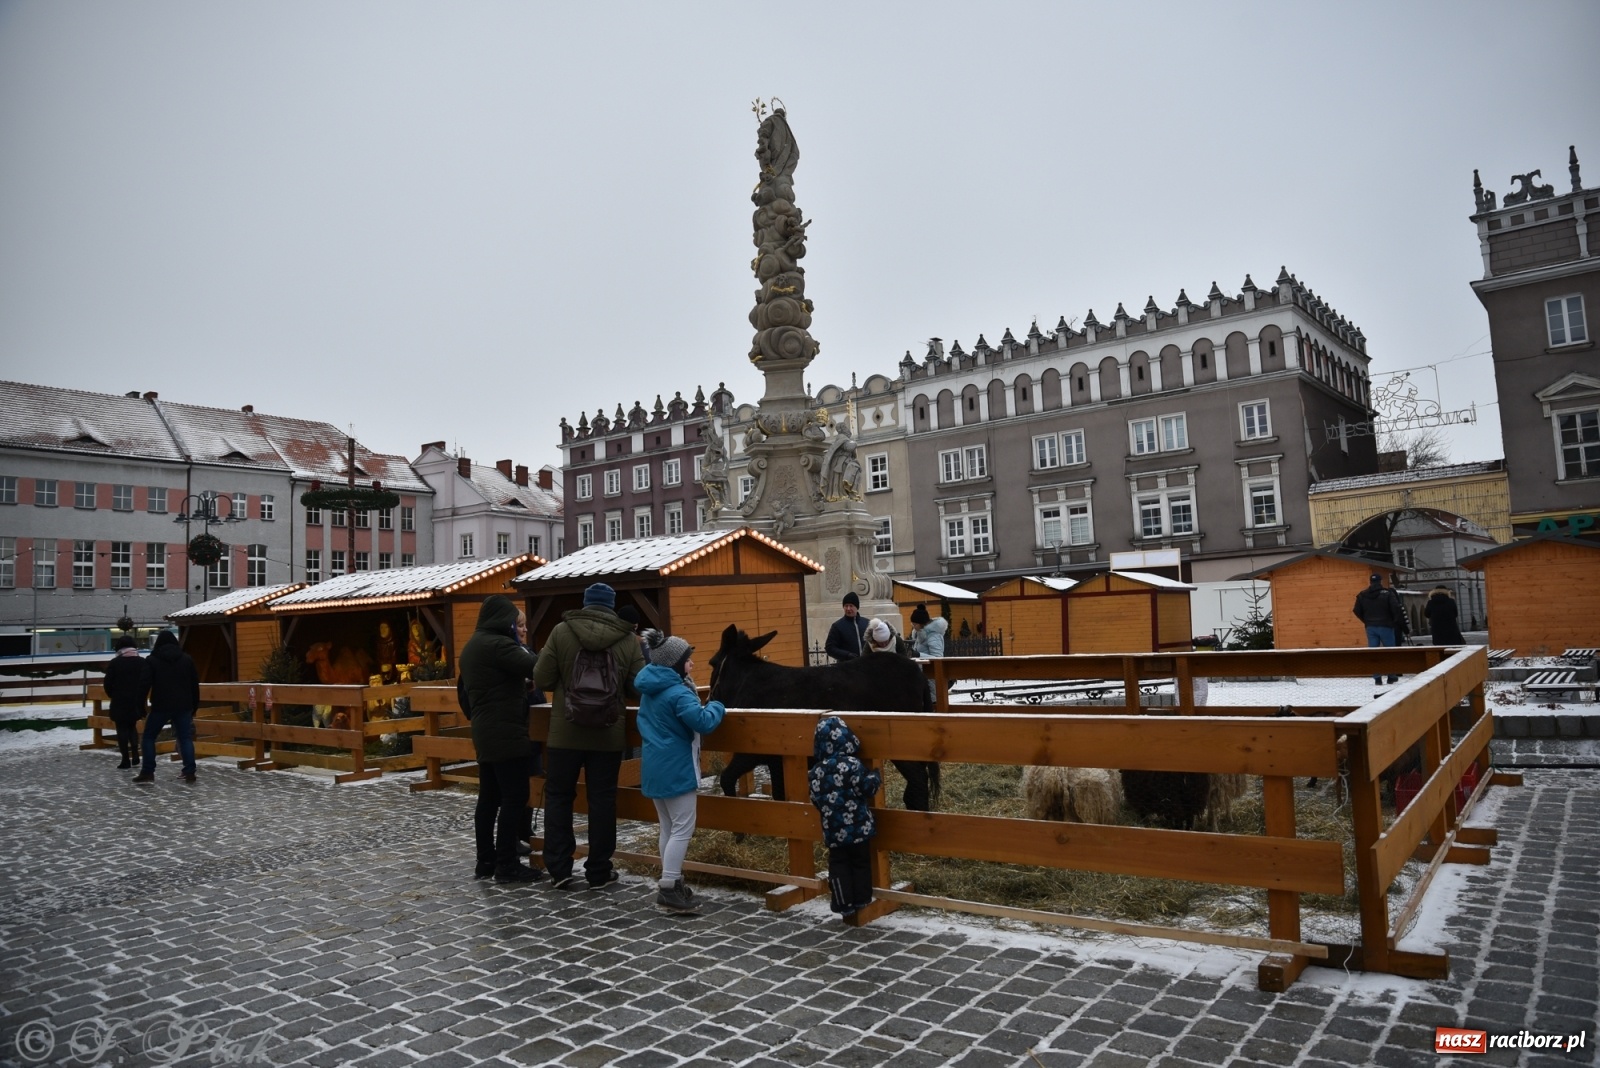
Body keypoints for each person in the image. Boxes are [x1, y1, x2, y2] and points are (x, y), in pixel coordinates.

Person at [534, 582, 647, 890]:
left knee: (558, 798)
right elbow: (638, 687)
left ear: (585, 604)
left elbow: (541, 678)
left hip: (565, 732)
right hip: (607, 734)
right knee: (602, 801)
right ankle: (599, 870)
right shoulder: (627, 639)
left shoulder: (561, 632)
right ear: (610, 606)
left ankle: (559, 869)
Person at [635, 632, 725, 913]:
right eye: (687, 661)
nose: (692, 665)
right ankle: (668, 887)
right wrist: (717, 705)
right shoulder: (678, 693)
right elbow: (703, 722)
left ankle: (671, 882)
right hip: (677, 768)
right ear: (674, 664)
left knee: (668, 828)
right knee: (683, 829)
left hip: (655, 767)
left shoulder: (650, 690)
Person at [460, 595, 543, 884]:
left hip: (485, 731)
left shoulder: (473, 646)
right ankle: (507, 864)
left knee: (489, 799)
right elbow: (536, 666)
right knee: (514, 797)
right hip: (506, 732)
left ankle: (486, 860)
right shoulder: (499, 644)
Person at [807, 716, 882, 919]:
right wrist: (876, 776)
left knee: (838, 864)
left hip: (833, 829)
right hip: (859, 828)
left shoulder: (815, 771)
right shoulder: (852, 765)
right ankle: (862, 899)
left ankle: (842, 903)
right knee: (860, 862)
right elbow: (867, 788)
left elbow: (815, 798)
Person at [133, 631, 198, 784]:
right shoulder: (187, 660)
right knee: (185, 738)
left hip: (161, 705)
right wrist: (194, 706)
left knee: (149, 737)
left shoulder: (152, 660)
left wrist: (140, 706)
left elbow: (144, 685)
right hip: (184, 705)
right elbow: (194, 685)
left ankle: (148, 771)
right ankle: (190, 771)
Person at [103, 635, 151, 769]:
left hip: (119, 700)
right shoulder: (142, 662)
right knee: (132, 726)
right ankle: (135, 755)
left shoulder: (115, 663)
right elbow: (146, 681)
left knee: (122, 728)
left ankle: (125, 759)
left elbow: (107, 683)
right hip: (135, 700)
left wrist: (113, 695)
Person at [1353, 572, 1406, 688]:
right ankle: (1391, 675)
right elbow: (1396, 608)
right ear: (1380, 582)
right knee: (1389, 651)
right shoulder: (1387, 594)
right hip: (1386, 625)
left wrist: (1366, 620)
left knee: (1373, 652)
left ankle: (1377, 677)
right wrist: (1394, 621)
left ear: (1370, 582)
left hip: (1371, 627)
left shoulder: (1362, 595)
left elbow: (1356, 610)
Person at [824, 592, 870, 662]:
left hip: (865, 666)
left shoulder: (867, 623)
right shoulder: (837, 626)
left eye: (851, 606)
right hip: (846, 668)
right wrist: (847, 655)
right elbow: (830, 648)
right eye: (846, 606)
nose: (848, 609)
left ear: (856, 607)